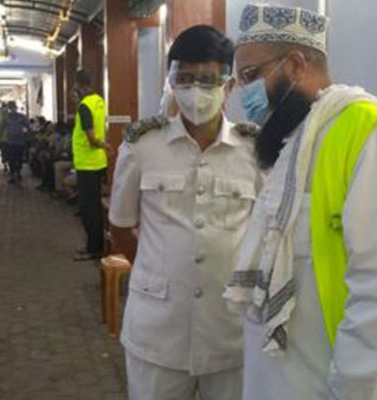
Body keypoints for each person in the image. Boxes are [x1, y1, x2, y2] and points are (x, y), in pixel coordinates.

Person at [223, 4, 377, 400]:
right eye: (240, 79)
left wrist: (353, 388)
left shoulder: (369, 135)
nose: (245, 92)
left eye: (251, 75)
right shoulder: (291, 146)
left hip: (334, 386)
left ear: (295, 64)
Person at [108, 26, 261, 400]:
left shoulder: (254, 151)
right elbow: (121, 227)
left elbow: (265, 232)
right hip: (158, 329)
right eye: (186, 79)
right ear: (172, 82)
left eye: (208, 80)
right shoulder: (143, 146)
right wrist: (159, 271)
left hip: (229, 330)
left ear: (228, 86)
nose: (196, 90)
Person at [72, 69, 109, 261]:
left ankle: (93, 248)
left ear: (78, 85)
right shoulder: (99, 101)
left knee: (88, 209)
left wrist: (103, 145)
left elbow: (91, 136)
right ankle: (96, 245)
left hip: (87, 164)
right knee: (94, 206)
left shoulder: (84, 106)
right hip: (98, 162)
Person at [0, 102, 29, 184]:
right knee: (11, 159)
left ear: (15, 108)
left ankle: (18, 172)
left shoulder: (21, 116)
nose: (12, 109)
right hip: (10, 141)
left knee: (19, 158)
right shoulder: (6, 117)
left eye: (13, 107)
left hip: (19, 141)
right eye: (10, 107)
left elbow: (27, 126)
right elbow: (2, 128)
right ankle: (13, 174)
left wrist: (26, 135)